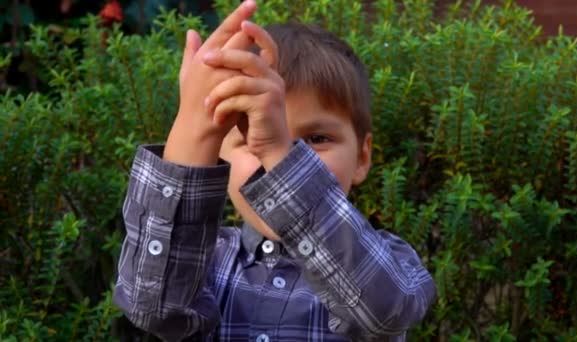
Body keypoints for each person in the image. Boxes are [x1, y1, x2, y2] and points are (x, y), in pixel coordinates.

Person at [113, 1, 436, 340]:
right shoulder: (202, 258)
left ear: (361, 158)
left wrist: (279, 151)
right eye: (251, 139)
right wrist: (195, 127)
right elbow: (151, 308)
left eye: (316, 138)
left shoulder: (390, 261)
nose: (273, 159)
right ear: (218, 157)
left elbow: (384, 312)